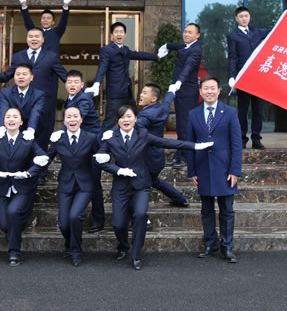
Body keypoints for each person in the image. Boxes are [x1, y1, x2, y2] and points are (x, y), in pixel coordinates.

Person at [97, 104, 212, 270]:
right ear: (118, 120)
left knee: (140, 215)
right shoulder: (110, 136)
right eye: (122, 117)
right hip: (121, 186)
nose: (126, 120)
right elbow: (100, 160)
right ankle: (123, 246)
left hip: (141, 184)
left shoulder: (143, 134)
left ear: (136, 119)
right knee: (118, 224)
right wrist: (118, 170)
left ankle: (136, 255)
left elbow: (166, 142)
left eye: (129, 116)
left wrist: (194, 146)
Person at [0, 107, 49, 266]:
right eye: (8, 117)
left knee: (13, 212)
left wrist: (29, 173)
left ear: (21, 122)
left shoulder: (27, 140)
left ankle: (14, 252)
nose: (11, 119)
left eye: (15, 117)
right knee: (4, 225)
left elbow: (43, 157)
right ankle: (14, 231)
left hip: (22, 186)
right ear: (4, 121)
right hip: (1, 186)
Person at [185, 76, 243, 263]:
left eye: (212, 88)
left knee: (227, 210)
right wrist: (192, 171)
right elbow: (190, 144)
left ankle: (227, 247)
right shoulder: (193, 114)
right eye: (205, 88)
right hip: (202, 168)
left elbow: (236, 144)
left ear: (219, 91)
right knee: (206, 209)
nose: (209, 91)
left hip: (225, 169)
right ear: (200, 91)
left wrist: (235, 170)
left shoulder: (230, 112)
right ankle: (210, 244)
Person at [0, 29, 67, 150]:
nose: (34, 39)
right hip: (20, 107)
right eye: (31, 36)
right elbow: (7, 75)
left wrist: (80, 87)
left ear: (43, 40)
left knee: (41, 142)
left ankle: (40, 162)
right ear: (27, 39)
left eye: (37, 36)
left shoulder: (51, 57)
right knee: (18, 143)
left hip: (44, 106)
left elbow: (64, 76)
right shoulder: (18, 56)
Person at [46, 107, 104, 266]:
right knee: (63, 223)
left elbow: (101, 155)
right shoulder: (58, 138)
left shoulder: (91, 138)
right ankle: (70, 242)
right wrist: (30, 172)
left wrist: (117, 169)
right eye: (69, 117)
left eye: (75, 116)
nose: (72, 119)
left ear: (81, 119)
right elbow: (46, 159)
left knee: (74, 216)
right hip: (65, 184)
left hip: (85, 184)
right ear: (64, 121)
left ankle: (76, 251)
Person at [88, 22, 158, 131]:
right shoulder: (107, 50)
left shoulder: (125, 49)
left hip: (127, 92)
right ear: (112, 36)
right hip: (115, 93)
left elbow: (138, 55)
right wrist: (97, 84)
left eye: (121, 32)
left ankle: (135, 140)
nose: (119, 34)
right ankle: (100, 142)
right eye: (116, 32)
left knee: (135, 118)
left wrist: (156, 56)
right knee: (109, 123)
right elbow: (102, 67)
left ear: (125, 35)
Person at [64, 69, 105, 233]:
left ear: (82, 85)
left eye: (76, 82)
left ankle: (98, 220)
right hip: (81, 145)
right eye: (69, 82)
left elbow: (76, 118)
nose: (72, 85)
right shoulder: (70, 98)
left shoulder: (83, 99)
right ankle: (74, 216)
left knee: (94, 182)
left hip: (93, 146)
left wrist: (60, 133)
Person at [137, 82, 190, 209]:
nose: (140, 95)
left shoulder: (146, 115)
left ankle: (141, 215)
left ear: (153, 99)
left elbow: (135, 127)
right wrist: (171, 92)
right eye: (141, 92)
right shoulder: (161, 108)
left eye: (144, 93)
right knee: (154, 181)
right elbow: (167, 102)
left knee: (142, 185)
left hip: (147, 159)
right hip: (156, 157)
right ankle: (181, 199)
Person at [159, 22, 203, 169]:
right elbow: (178, 46)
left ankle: (185, 157)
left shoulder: (196, 50)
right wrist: (167, 46)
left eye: (190, 32)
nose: (186, 34)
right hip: (181, 92)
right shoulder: (186, 45)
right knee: (181, 126)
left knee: (185, 126)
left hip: (187, 92)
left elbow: (188, 67)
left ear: (197, 35)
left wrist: (178, 82)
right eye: (185, 31)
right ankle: (180, 154)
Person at [226, 6, 270, 149]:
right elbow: (232, 57)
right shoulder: (233, 36)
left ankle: (256, 139)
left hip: (258, 77)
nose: (244, 19)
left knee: (258, 110)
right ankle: (242, 139)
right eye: (241, 16)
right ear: (236, 19)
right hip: (243, 77)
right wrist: (232, 76)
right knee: (243, 110)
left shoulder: (257, 32)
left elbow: (275, 30)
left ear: (249, 17)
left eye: (246, 16)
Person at [0, 63, 45, 136]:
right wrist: (2, 128)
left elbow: (35, 113)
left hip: (33, 131)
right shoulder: (6, 92)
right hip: (10, 131)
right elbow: (3, 110)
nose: (21, 77)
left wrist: (30, 130)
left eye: (24, 74)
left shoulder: (38, 94)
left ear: (31, 77)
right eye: (18, 74)